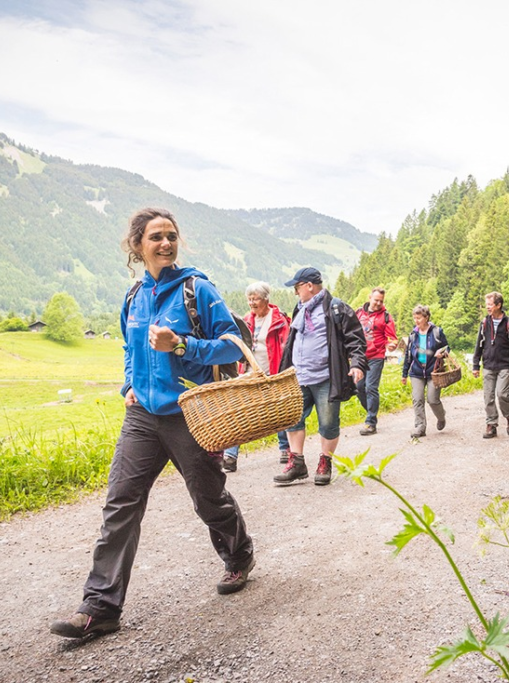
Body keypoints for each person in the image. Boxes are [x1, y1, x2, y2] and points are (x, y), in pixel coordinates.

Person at [50, 208, 254, 640]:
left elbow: (232, 345)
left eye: (172, 236)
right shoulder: (133, 296)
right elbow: (129, 345)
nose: (166, 243)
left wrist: (182, 344)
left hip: (189, 413)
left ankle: (239, 555)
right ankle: (100, 606)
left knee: (208, 499)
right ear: (137, 245)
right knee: (121, 503)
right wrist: (129, 383)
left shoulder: (198, 289)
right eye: (156, 237)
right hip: (142, 416)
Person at [275, 267, 367, 486]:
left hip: (326, 377)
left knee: (328, 423)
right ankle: (297, 463)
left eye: (297, 287)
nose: (296, 292)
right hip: (299, 376)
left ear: (309, 286)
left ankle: (325, 461)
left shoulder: (337, 308)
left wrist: (357, 364)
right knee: (292, 418)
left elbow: (356, 339)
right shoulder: (300, 309)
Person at [221, 281, 292, 473]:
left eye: (256, 299)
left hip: (272, 372)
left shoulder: (278, 319)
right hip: (250, 373)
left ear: (266, 299)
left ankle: (285, 448)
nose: (252, 303)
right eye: (249, 299)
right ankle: (230, 456)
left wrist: (284, 372)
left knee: (279, 410)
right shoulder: (246, 319)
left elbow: (286, 347)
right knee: (240, 412)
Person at [471, 292, 509, 438]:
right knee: (488, 397)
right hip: (488, 364)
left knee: (502, 394)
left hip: (505, 365)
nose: (488, 307)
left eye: (490, 304)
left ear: (498, 305)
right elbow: (479, 345)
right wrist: (476, 365)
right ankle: (491, 424)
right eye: (487, 304)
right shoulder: (485, 323)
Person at [401, 305, 449, 439]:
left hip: (433, 372)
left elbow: (447, 347)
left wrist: (442, 352)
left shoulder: (437, 332)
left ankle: (441, 417)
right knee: (417, 399)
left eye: (419, 318)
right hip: (416, 372)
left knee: (433, 399)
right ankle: (420, 427)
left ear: (426, 317)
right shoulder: (412, 335)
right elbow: (408, 356)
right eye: (414, 318)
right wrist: (404, 374)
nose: (416, 321)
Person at [356, 287, 398, 435]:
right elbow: (350, 331)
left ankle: (370, 422)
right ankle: (371, 413)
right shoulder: (359, 313)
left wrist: (392, 345)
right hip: (359, 357)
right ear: (370, 297)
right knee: (359, 387)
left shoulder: (386, 316)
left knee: (370, 387)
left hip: (376, 356)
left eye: (381, 301)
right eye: (376, 300)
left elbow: (392, 338)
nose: (378, 303)